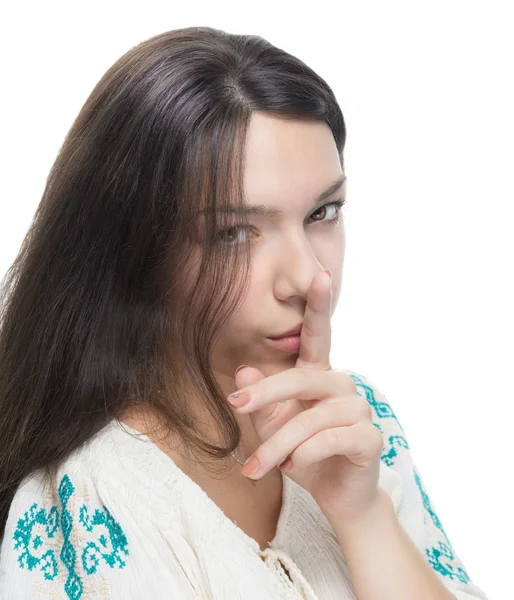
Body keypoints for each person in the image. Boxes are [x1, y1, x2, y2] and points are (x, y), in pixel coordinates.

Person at [0, 26, 488, 600]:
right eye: (234, 232)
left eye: (323, 212)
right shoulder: (81, 497)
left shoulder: (359, 424)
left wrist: (363, 517)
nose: (308, 277)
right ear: (135, 248)